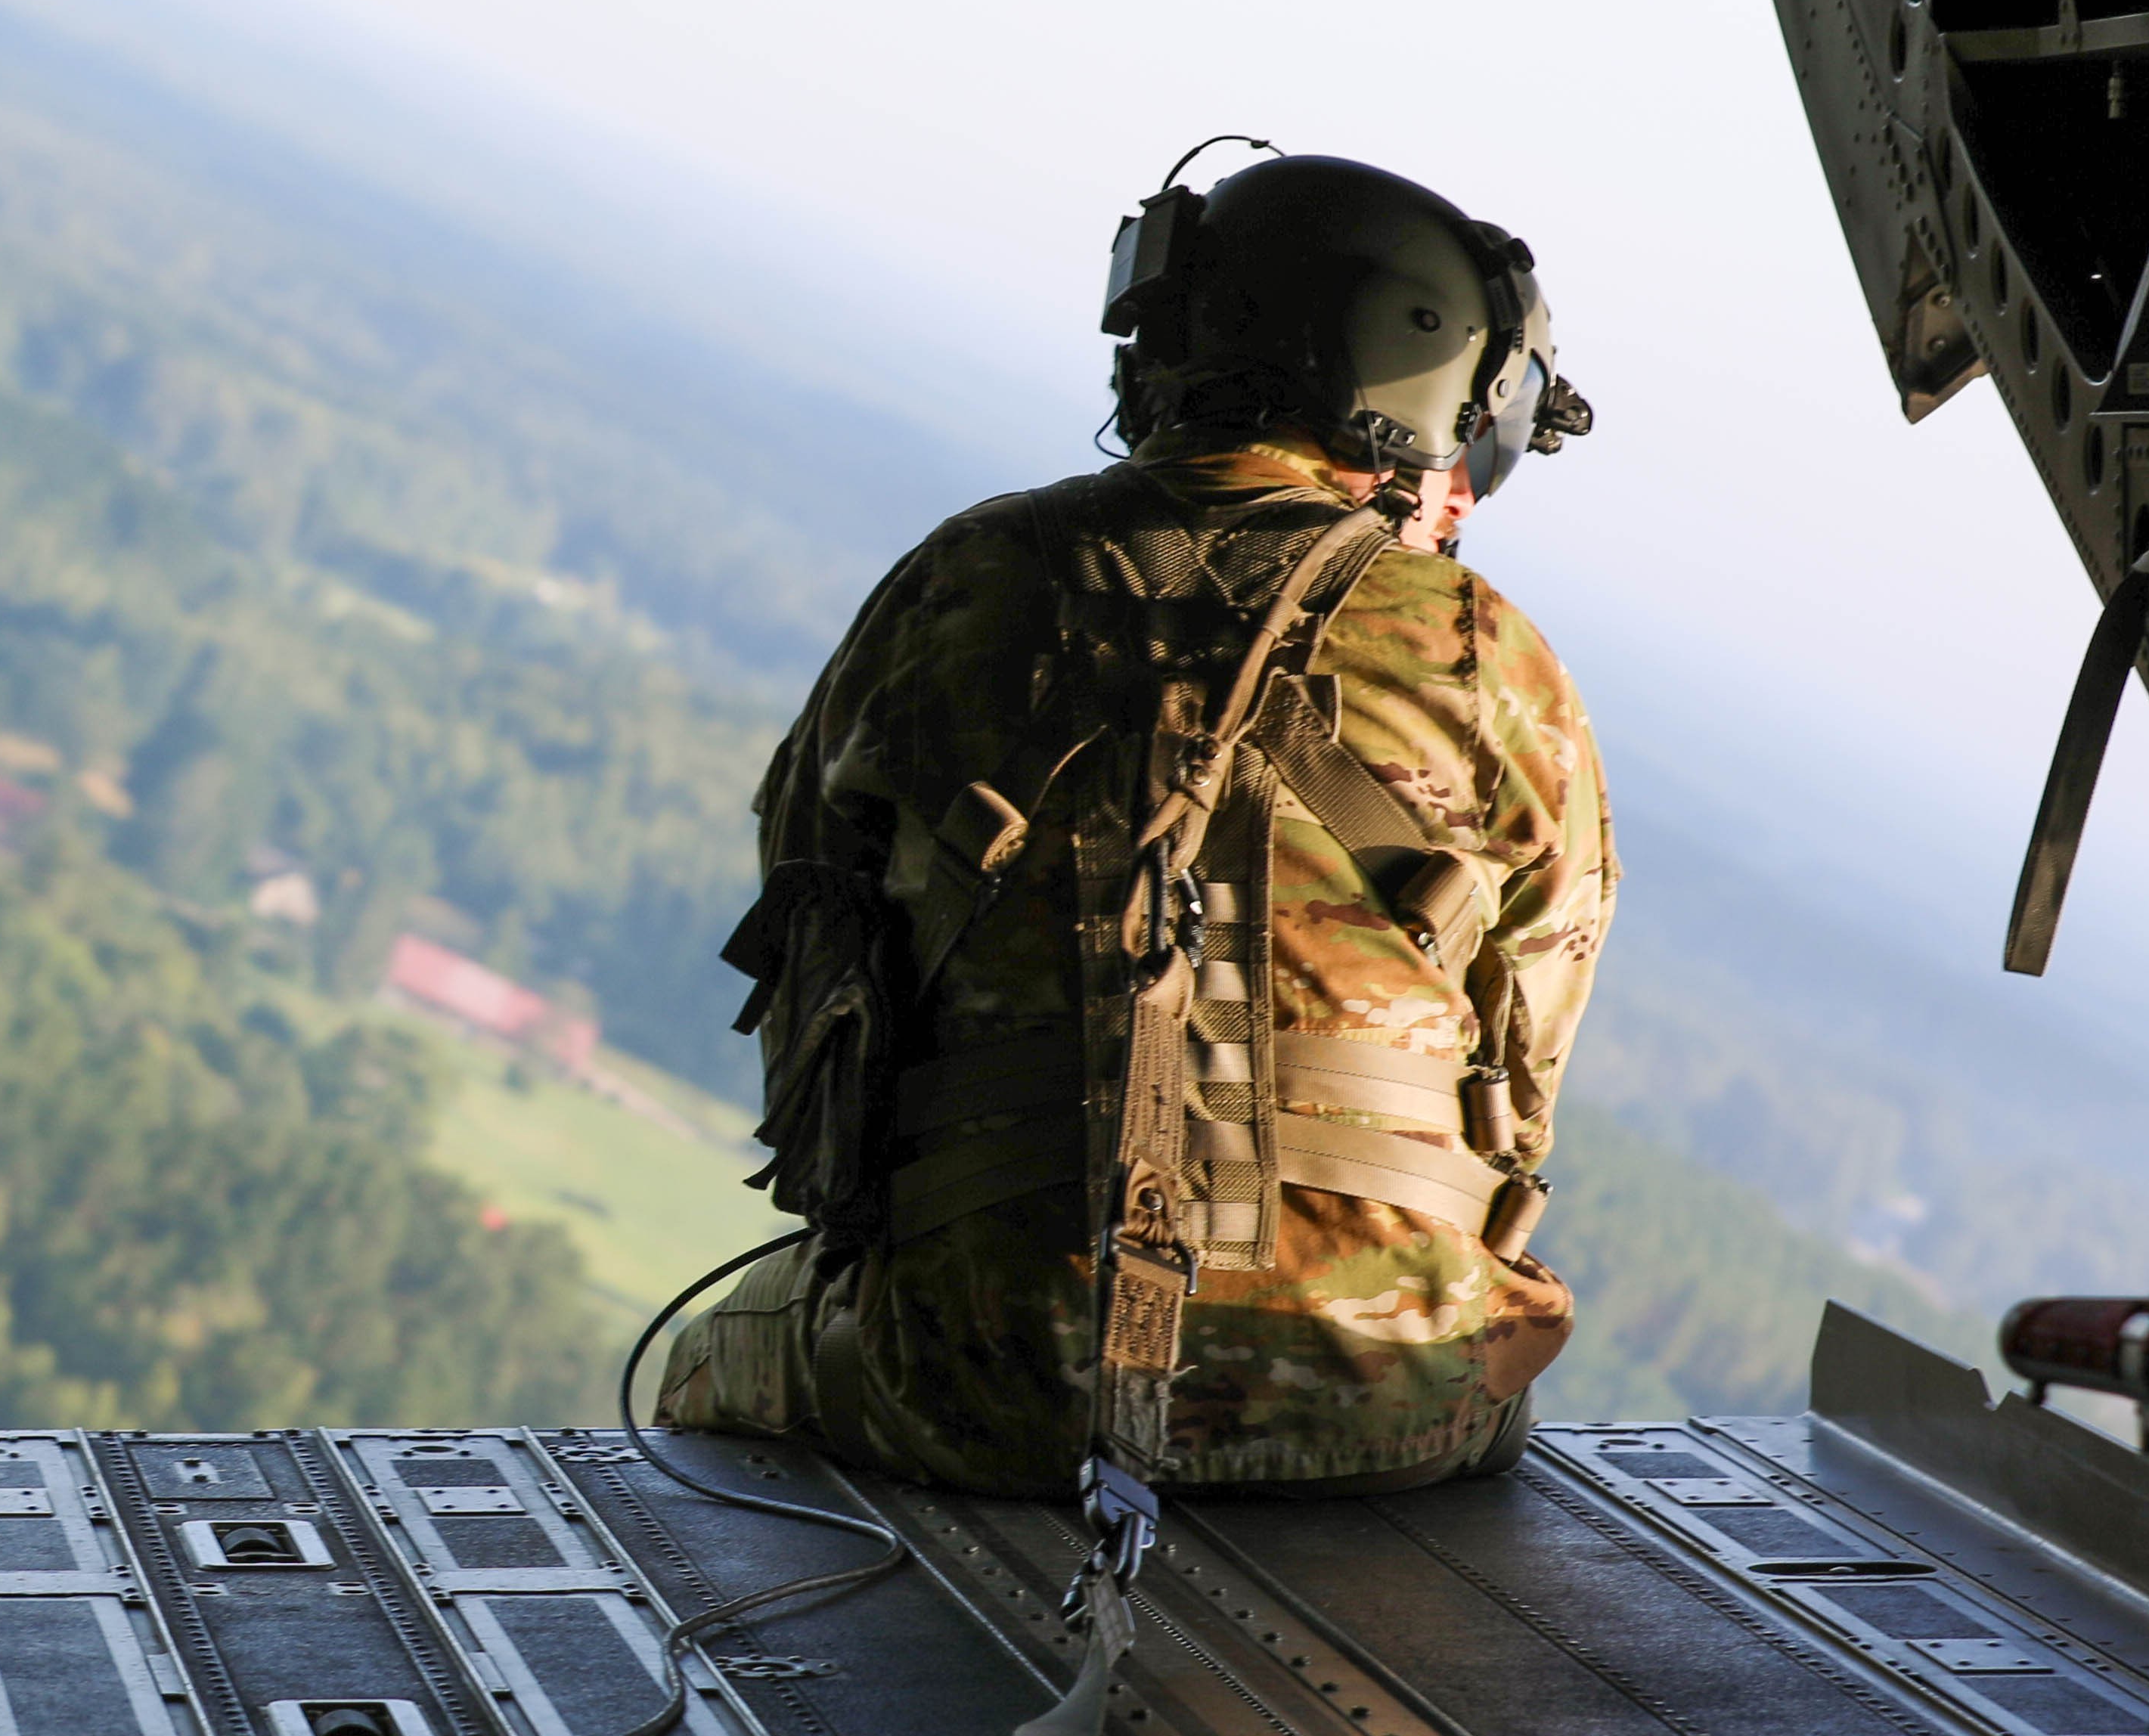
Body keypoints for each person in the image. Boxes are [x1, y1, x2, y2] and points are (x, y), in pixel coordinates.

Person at [661, 148, 1611, 1500]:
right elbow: (1519, 1092)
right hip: (1394, 1403)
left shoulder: (969, 573)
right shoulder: (1495, 654)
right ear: (1428, 390)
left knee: (700, 1361)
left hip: (965, 1380)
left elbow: (816, 953)